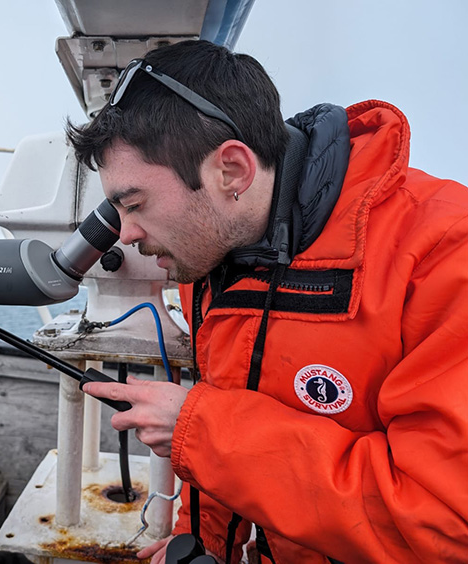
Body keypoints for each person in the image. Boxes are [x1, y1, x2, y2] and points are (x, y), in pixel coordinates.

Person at [66, 39, 468, 564]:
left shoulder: (442, 254)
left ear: (232, 170)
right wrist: (203, 548)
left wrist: (202, 431)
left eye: (135, 204)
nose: (124, 234)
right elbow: (237, 438)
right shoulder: (208, 257)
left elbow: (441, 520)